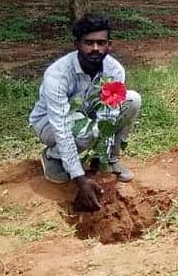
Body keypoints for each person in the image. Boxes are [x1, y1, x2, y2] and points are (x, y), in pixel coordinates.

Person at [30, 14, 142, 211]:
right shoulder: (58, 74)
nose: (96, 48)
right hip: (49, 123)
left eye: (101, 42)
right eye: (89, 43)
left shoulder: (114, 70)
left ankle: (111, 158)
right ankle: (53, 157)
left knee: (132, 100)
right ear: (77, 44)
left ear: (110, 44)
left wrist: (102, 159)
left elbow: (109, 115)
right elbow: (62, 125)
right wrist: (80, 178)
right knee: (84, 128)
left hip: (86, 117)